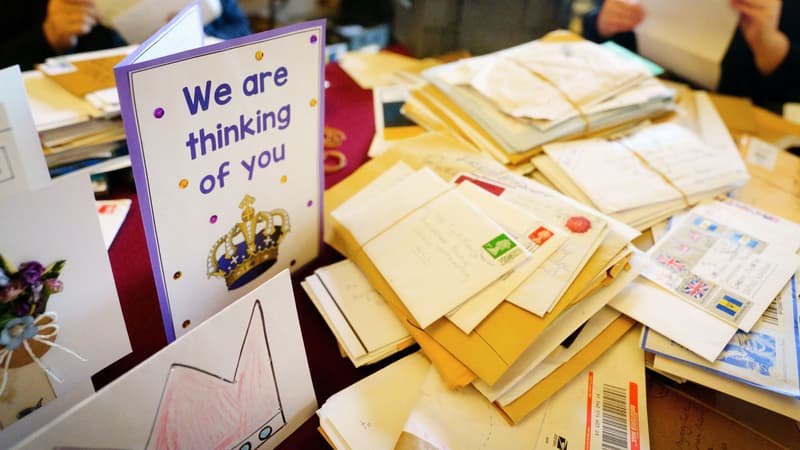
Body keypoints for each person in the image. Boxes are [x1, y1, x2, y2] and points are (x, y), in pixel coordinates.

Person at [582, 0, 800, 110]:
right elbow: (595, 31)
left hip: (732, 118)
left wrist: (770, 45)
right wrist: (602, 21)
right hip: (636, 94)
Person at [0, 0, 250, 72]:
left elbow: (240, 31)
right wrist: (48, 37)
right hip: (75, 139)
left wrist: (188, 34)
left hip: (177, 105)